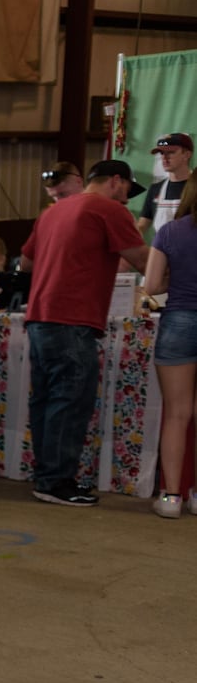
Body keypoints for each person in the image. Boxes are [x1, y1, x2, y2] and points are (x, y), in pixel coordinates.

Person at [18, 158, 149, 507]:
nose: (125, 201)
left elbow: (26, 263)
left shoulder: (52, 212)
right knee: (70, 400)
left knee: (46, 399)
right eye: (125, 193)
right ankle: (57, 481)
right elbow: (143, 261)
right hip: (73, 316)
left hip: (40, 314)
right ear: (117, 182)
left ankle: (46, 476)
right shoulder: (109, 210)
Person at [142, 177, 197, 517]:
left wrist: (173, 279)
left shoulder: (169, 232)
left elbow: (150, 285)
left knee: (177, 415)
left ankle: (171, 498)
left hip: (179, 320)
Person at [137, 133, 192, 236]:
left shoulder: (194, 186)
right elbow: (142, 226)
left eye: (171, 152)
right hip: (162, 251)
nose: (164, 158)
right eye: (161, 153)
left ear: (187, 155)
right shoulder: (156, 189)